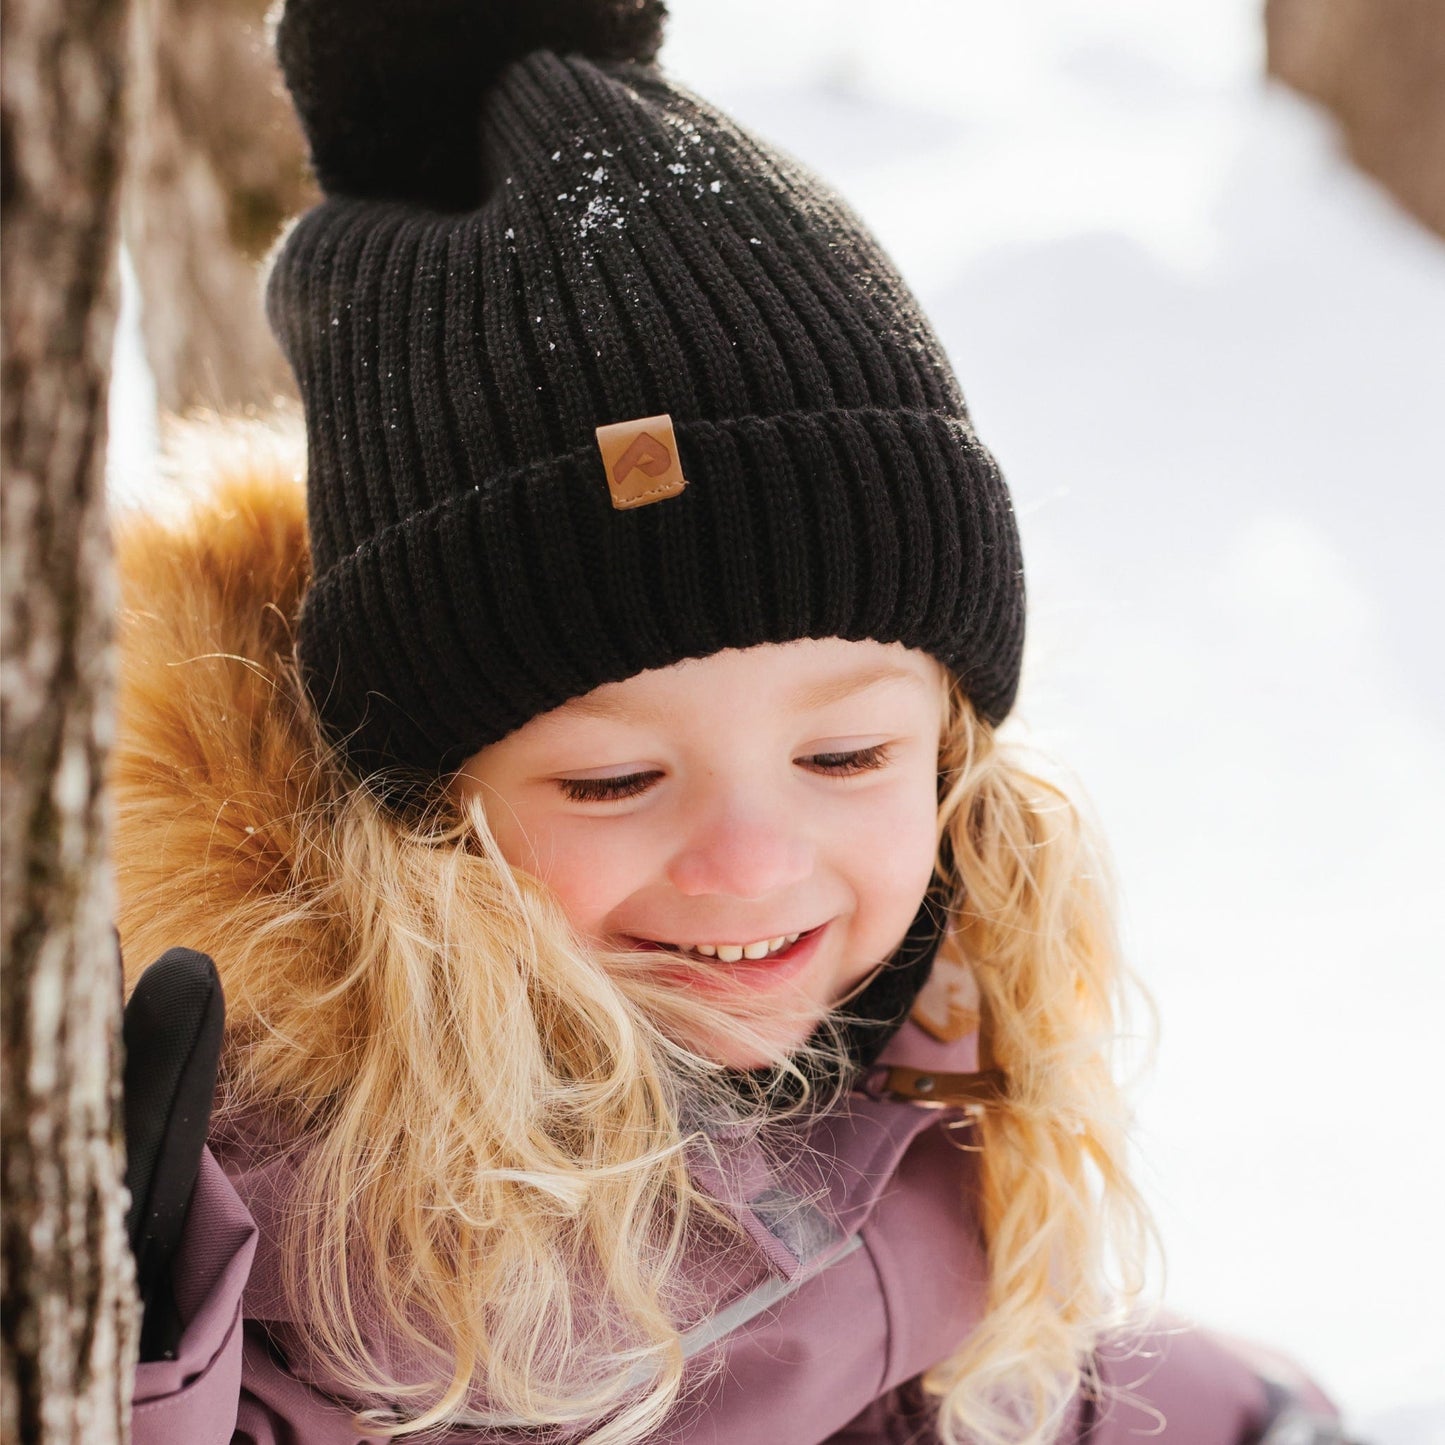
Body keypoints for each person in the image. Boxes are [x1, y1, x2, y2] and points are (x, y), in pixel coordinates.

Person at [115, 2, 1349, 1441]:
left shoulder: (921, 1006)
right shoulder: (306, 1208)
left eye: (845, 756)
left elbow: (923, 1372)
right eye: (616, 777)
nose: (754, 861)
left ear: (948, 747)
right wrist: (144, 1369)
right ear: (415, 803)